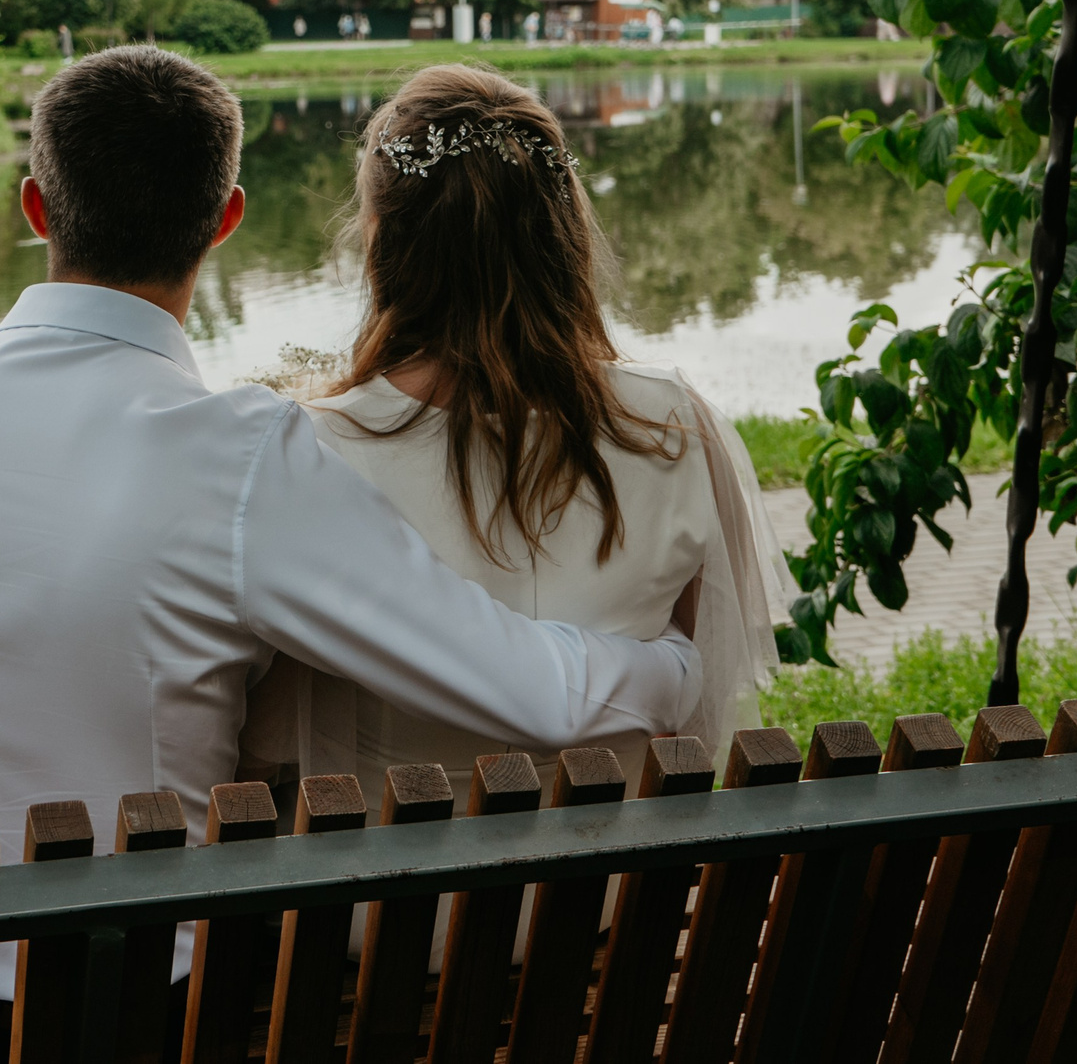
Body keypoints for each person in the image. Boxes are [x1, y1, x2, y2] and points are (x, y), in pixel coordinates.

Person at [0, 46, 703, 1018]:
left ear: (34, 208)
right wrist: (674, 666)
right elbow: (527, 692)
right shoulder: (241, 457)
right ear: (226, 221)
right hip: (131, 989)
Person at [245, 63, 787, 805]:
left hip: (393, 915)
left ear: (379, 240)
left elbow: (266, 748)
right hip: (614, 907)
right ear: (562, 231)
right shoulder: (673, 423)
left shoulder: (308, 452)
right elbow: (695, 723)